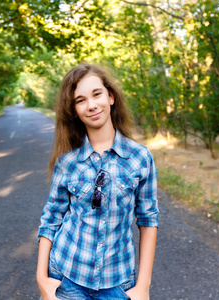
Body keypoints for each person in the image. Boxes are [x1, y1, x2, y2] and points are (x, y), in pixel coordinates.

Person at [37, 63, 159, 300]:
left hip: (117, 283)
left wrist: (143, 286)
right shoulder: (67, 162)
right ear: (74, 110)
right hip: (67, 277)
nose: (91, 105)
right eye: (80, 100)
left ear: (110, 97)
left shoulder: (139, 158)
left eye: (96, 94)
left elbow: (148, 220)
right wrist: (42, 278)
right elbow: (51, 217)